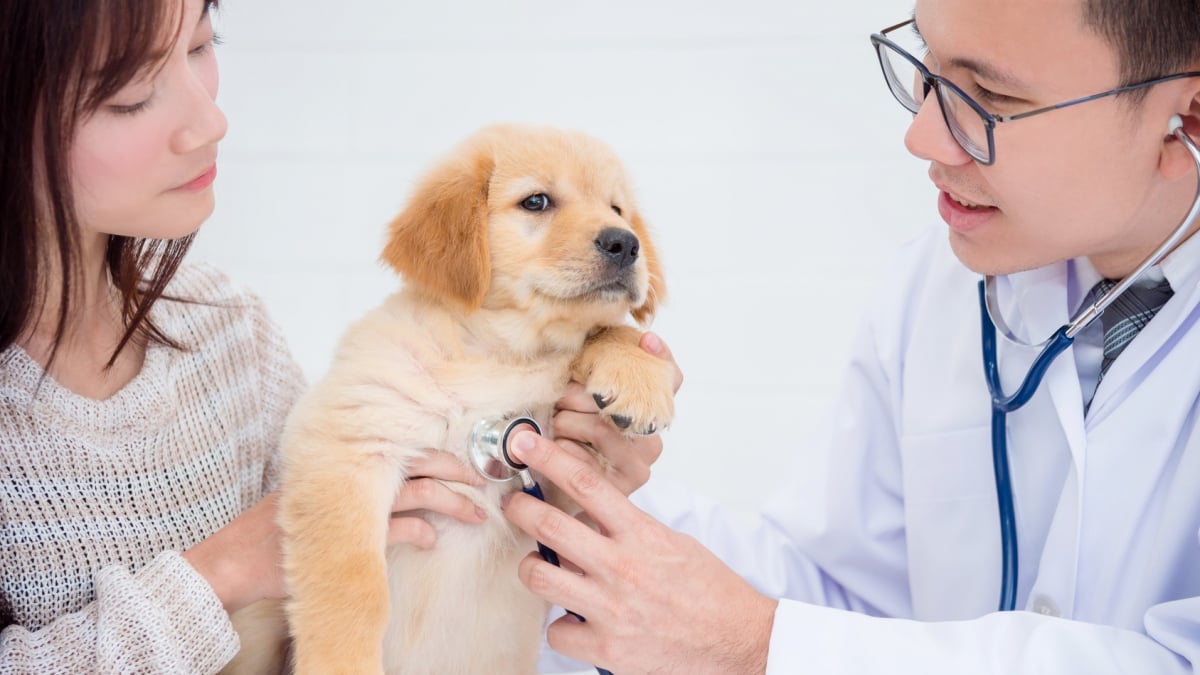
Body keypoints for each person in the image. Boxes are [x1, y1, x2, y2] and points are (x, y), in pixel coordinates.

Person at [502, 0, 1200, 672]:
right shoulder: (942, 285)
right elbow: (836, 596)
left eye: (990, 97)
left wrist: (758, 650)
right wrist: (560, 497)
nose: (921, 135)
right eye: (928, 69)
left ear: (1186, 115)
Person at [0, 1, 491, 671]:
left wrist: (546, 464)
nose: (209, 120)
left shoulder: (231, 332)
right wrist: (220, 571)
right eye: (133, 94)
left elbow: (357, 582)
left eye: (203, 44)